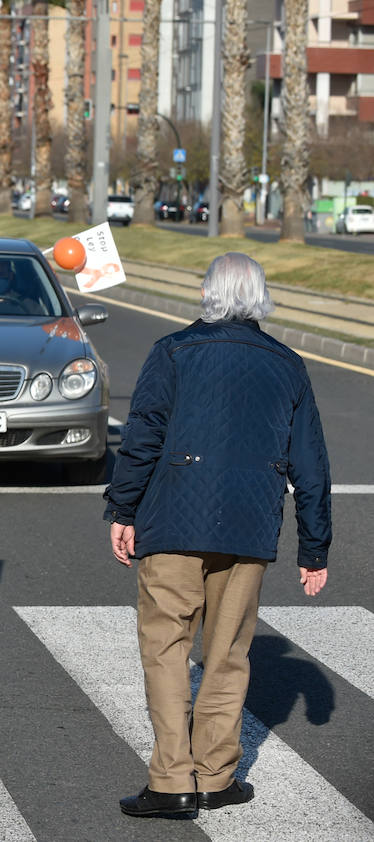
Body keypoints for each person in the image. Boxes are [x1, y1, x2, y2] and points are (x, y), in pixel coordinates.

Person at [105, 252, 332, 819]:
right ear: (259, 297)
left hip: (174, 519)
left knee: (167, 649)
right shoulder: (288, 365)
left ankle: (171, 781)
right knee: (228, 653)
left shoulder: (173, 352)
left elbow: (143, 438)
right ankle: (216, 775)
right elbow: (311, 464)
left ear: (208, 293)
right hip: (250, 526)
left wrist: (122, 509)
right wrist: (314, 548)